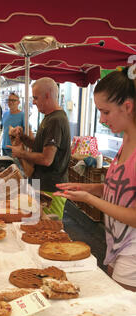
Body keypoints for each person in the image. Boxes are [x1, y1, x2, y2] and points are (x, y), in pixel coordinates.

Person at [54, 67, 136, 292]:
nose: (101, 119)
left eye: (105, 112)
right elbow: (121, 190)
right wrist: (87, 188)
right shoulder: (126, 139)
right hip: (117, 243)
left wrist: (89, 199)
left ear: (127, 106)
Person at [8, 77, 71, 220]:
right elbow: (41, 146)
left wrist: (21, 153)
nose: (34, 102)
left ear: (47, 95)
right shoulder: (50, 117)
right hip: (42, 183)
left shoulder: (56, 120)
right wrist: (23, 138)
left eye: (36, 98)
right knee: (37, 226)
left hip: (51, 187)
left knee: (49, 229)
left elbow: (47, 159)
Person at [1, 92, 25, 156]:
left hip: (15, 149)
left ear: (18, 102)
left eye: (13, 100)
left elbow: (26, 133)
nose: (10, 102)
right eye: (9, 100)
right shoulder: (5, 114)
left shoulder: (22, 115)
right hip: (4, 147)